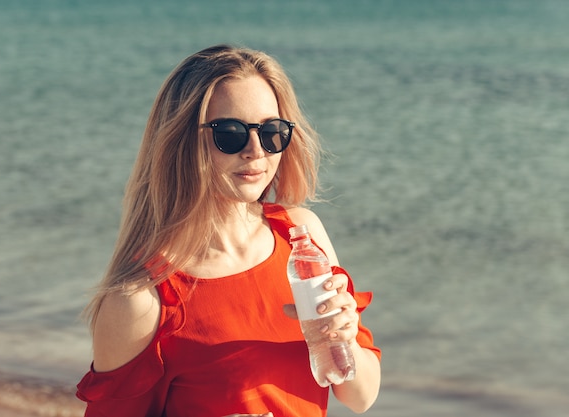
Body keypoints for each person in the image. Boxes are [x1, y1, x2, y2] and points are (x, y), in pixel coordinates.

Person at [76, 44, 381, 417]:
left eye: (271, 132)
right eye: (231, 133)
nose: (256, 150)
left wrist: (345, 338)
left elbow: (360, 398)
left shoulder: (301, 235)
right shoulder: (142, 301)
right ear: (180, 142)